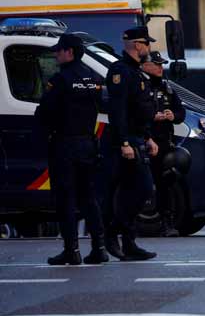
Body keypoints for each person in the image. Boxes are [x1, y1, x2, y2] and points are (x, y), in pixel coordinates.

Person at [35, 33, 109, 265]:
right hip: (88, 144)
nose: (56, 54)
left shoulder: (60, 80)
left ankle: (71, 250)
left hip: (65, 145)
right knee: (89, 198)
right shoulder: (93, 78)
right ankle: (100, 248)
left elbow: (44, 112)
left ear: (70, 52)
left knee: (65, 199)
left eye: (59, 50)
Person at [104, 26, 160, 260]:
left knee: (134, 192)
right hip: (124, 142)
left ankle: (129, 243)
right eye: (147, 44)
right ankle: (112, 232)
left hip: (137, 138)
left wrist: (147, 137)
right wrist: (124, 142)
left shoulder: (135, 71)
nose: (149, 48)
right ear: (138, 45)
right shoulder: (120, 71)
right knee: (141, 189)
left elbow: (138, 111)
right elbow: (118, 112)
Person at [141, 51, 186, 237]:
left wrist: (172, 116)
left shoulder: (167, 88)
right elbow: (133, 113)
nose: (161, 68)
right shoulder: (140, 86)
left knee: (166, 183)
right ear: (145, 66)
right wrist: (152, 117)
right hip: (145, 142)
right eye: (157, 64)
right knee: (141, 185)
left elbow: (180, 112)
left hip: (164, 143)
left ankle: (167, 223)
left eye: (162, 64)